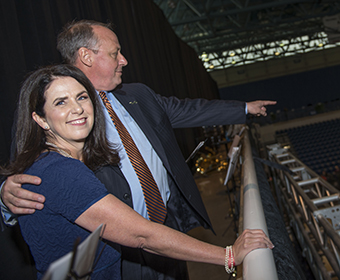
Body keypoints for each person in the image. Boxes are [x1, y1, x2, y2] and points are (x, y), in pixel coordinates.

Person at [1, 20, 276, 279]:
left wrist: (243, 108)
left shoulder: (138, 96)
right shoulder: (56, 127)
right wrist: (4, 194)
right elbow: (26, 171)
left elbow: (189, 110)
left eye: (82, 98)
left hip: (167, 233)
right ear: (86, 56)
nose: (124, 60)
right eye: (115, 53)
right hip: (119, 250)